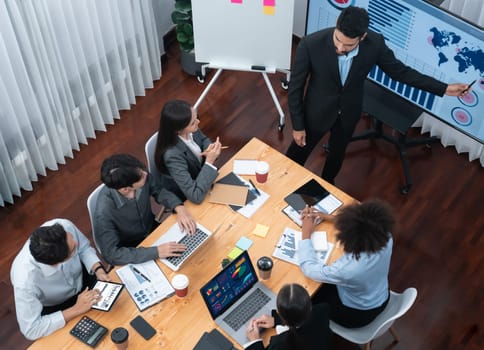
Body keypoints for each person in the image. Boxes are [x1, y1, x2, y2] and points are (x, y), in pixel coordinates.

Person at [286, 6, 471, 184]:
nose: (341, 48)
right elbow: (295, 88)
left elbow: (401, 72)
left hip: (349, 112)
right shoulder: (310, 44)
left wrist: (444, 88)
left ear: (363, 36)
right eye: (338, 40)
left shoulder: (374, 44)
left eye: (348, 45)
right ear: (336, 23)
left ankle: (327, 184)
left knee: (337, 154)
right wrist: (298, 125)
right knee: (296, 155)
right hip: (316, 112)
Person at [298, 199, 395, 328]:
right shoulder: (385, 236)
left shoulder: (349, 269)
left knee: (307, 295)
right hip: (381, 294)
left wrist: (306, 234)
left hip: (357, 313)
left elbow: (309, 269)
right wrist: (327, 217)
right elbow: (365, 224)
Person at [10, 219, 110, 340]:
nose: (75, 243)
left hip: (83, 278)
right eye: (73, 249)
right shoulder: (25, 282)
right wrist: (75, 309)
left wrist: (98, 268)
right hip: (58, 306)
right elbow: (31, 329)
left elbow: (83, 248)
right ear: (56, 264)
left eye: (72, 238)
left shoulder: (64, 226)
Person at [94, 153, 197, 266]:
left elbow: (159, 190)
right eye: (142, 176)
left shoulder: (138, 173)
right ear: (125, 190)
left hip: (153, 229)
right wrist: (156, 252)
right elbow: (112, 255)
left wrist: (179, 207)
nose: (145, 174)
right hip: (133, 250)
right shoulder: (103, 213)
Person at [154, 99, 222, 204]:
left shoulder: (191, 128)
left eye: (197, 117)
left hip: (202, 178)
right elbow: (195, 196)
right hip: (188, 193)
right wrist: (209, 162)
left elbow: (203, 139)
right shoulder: (172, 155)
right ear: (178, 130)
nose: (198, 122)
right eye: (193, 123)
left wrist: (210, 148)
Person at [245, 283, 331, 350]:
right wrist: (277, 320)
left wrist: (254, 342)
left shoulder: (279, 344)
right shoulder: (323, 310)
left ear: (278, 311)